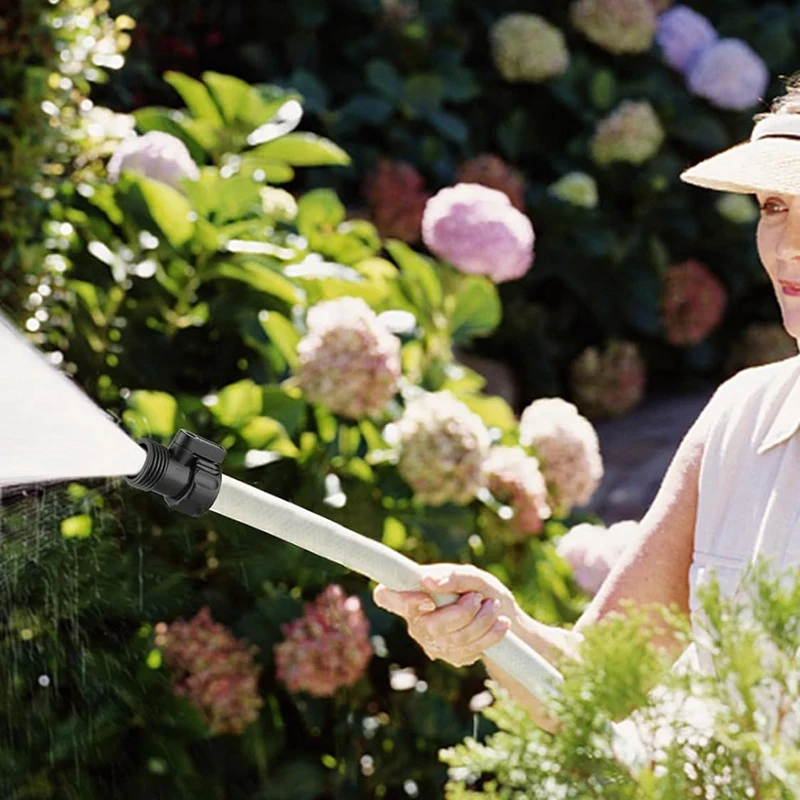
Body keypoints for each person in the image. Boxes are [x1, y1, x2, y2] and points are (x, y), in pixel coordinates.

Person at [373, 76, 800, 733]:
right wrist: (499, 629)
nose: (787, 244)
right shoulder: (742, 417)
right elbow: (597, 685)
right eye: (774, 205)